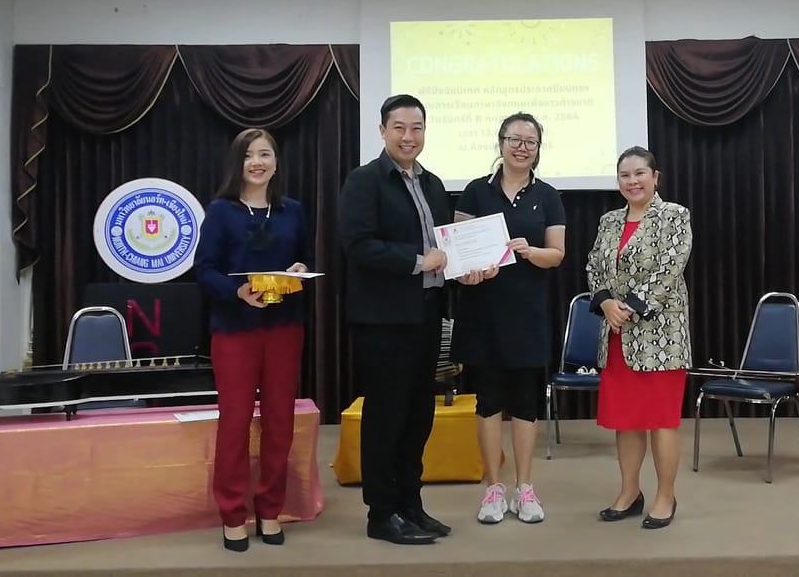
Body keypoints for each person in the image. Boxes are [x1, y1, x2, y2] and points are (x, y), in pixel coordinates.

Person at [338, 94, 453, 546]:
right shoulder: (364, 181)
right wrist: (418, 260)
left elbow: (447, 246)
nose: (409, 136)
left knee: (418, 415)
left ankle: (410, 504)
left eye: (417, 127)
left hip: (426, 313)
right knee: (386, 416)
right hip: (383, 319)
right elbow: (359, 246)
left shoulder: (434, 183)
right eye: (400, 128)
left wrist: (466, 264)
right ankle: (381, 514)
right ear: (382, 131)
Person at [193, 128, 311, 552]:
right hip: (235, 330)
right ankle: (232, 513)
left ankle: (270, 508)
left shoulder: (293, 211)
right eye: (249, 155)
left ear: (276, 163)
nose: (257, 162)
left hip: (284, 328)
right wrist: (236, 291)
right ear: (238, 163)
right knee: (235, 421)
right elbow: (204, 270)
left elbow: (304, 260)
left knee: (280, 421)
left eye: (265, 154)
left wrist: (299, 269)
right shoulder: (221, 211)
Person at [450, 112, 566, 525]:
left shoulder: (547, 195)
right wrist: (468, 271)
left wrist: (529, 252)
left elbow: (557, 254)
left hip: (527, 314)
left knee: (524, 403)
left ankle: (525, 487)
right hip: (482, 311)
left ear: (538, 149)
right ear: (500, 143)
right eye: (514, 139)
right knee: (488, 401)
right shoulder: (475, 191)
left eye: (530, 142)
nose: (522, 147)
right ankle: (493, 488)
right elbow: (459, 252)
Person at [585, 146, 692, 530]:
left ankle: (665, 497)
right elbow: (593, 266)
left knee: (662, 420)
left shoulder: (674, 215)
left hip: (660, 337)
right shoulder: (609, 221)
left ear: (655, 177)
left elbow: (670, 267)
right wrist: (605, 302)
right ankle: (630, 492)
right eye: (625, 175)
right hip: (617, 336)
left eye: (639, 173)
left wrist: (629, 307)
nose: (632, 181)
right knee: (626, 420)